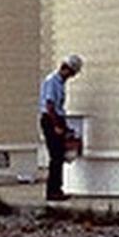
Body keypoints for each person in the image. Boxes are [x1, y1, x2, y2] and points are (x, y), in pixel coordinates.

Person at [38, 54, 83, 201]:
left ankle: (57, 188)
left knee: (59, 156)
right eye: (72, 73)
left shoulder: (59, 83)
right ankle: (53, 191)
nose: (71, 76)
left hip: (56, 118)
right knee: (56, 156)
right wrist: (56, 125)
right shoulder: (52, 81)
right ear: (66, 69)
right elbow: (50, 106)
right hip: (51, 120)